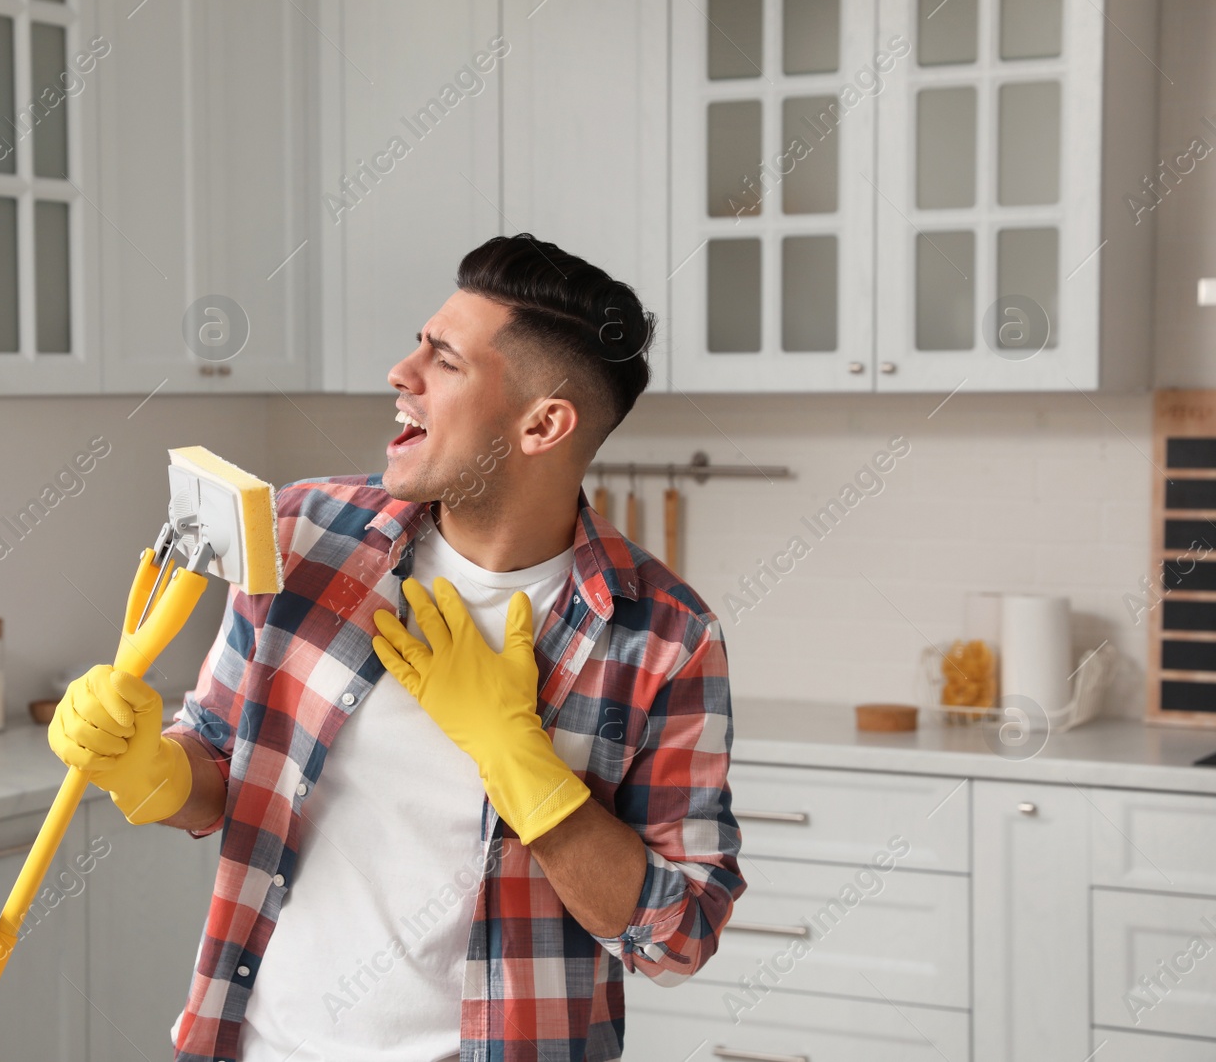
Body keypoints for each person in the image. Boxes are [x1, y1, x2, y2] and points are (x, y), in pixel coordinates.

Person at [49, 232, 744, 1062]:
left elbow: (678, 935)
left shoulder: (663, 638)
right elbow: (217, 765)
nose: (400, 373)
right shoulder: (304, 536)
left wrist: (519, 761)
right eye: (419, 343)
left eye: (444, 361)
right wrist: (148, 769)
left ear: (542, 422)